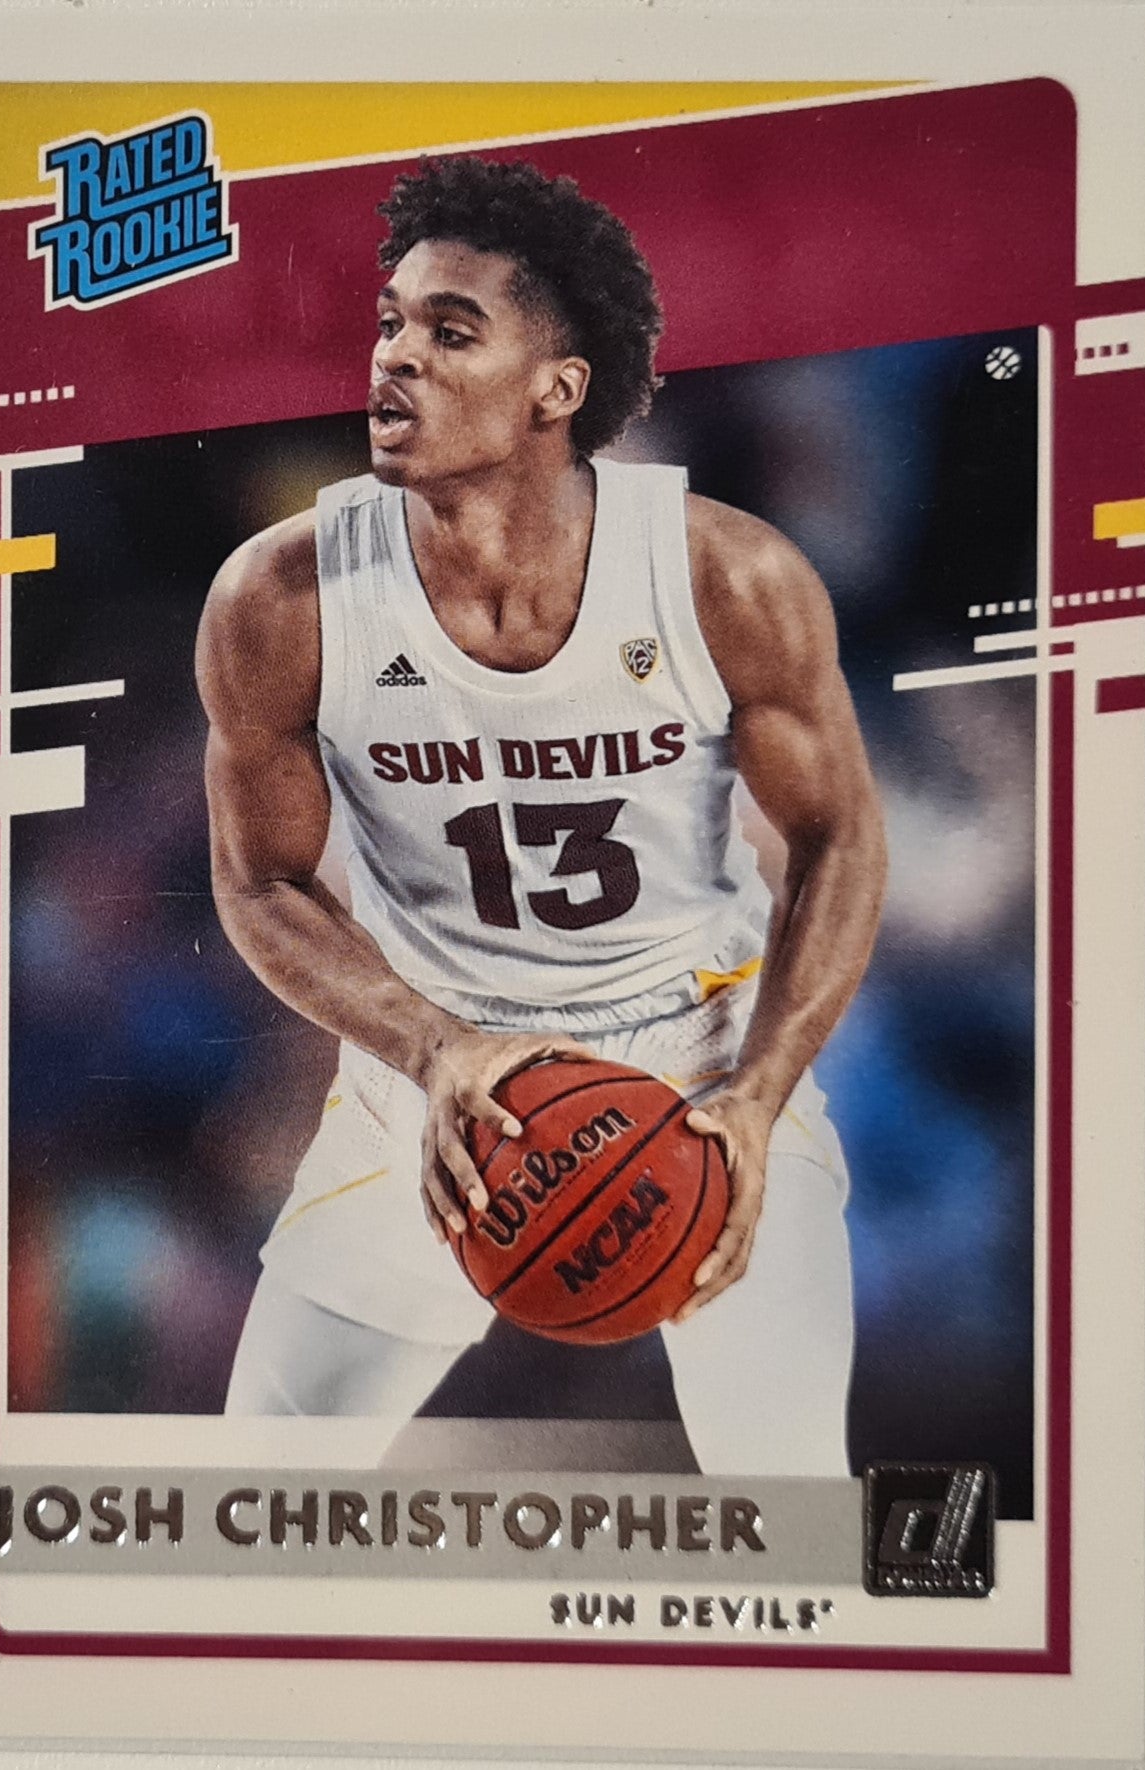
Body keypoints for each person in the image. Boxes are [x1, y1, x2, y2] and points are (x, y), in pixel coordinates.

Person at [196, 156, 886, 1476]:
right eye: (389, 323)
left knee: (796, 1504)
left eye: (450, 332)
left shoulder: (726, 574)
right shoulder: (280, 598)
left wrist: (758, 1096)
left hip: (698, 1057)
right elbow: (259, 883)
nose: (394, 358)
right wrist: (431, 1046)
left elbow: (839, 839)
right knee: (254, 1499)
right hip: (441, 1066)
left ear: (555, 389)